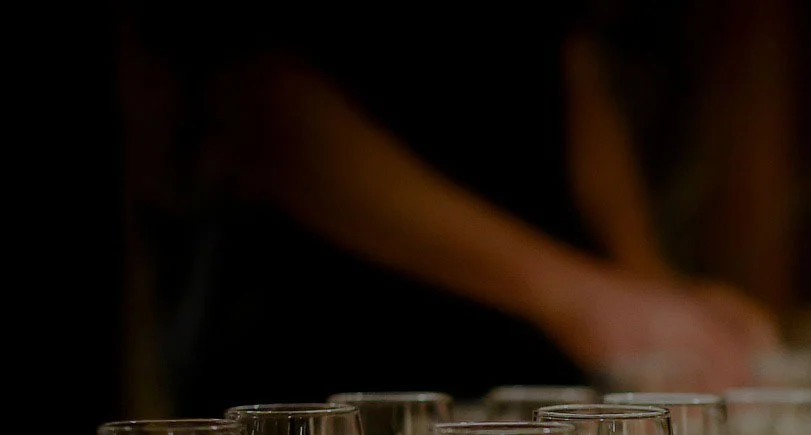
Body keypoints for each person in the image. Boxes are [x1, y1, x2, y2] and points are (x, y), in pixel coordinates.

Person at [137, 6, 774, 410]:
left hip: (531, 360)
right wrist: (582, 295)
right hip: (316, 354)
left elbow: (570, 67)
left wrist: (646, 287)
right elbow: (257, 103)